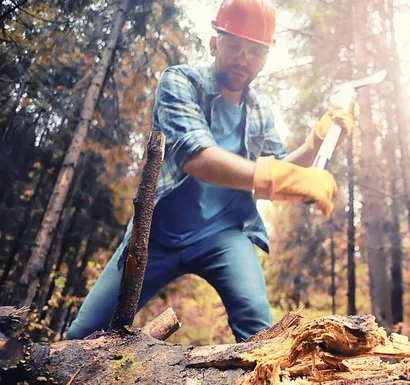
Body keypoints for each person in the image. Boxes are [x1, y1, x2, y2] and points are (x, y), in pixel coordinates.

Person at [65, 0, 353, 342]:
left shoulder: (260, 108)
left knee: (260, 337)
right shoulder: (179, 82)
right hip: (156, 235)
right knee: (83, 336)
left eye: (256, 51)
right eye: (234, 45)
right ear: (215, 43)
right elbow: (196, 157)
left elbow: (277, 168)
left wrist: (315, 143)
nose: (243, 58)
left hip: (225, 234)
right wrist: (283, 177)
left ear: (265, 58)